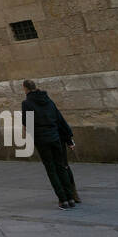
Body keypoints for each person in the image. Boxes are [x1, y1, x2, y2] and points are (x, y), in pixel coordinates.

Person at [20, 80, 78, 209]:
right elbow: (60, 119)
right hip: (55, 138)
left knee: (51, 170)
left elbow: (28, 125)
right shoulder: (49, 101)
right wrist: (69, 139)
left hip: (42, 140)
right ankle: (71, 198)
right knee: (61, 167)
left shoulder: (27, 103)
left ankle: (63, 200)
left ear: (25, 89)